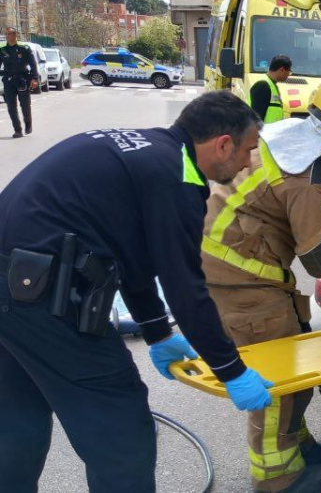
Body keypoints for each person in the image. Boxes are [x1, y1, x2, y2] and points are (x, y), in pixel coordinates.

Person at [0, 92, 275, 493]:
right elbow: (185, 287)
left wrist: (158, 331)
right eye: (248, 150)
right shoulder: (178, 177)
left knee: (18, 419)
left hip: (14, 283)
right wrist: (232, 370)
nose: (248, 163)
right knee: (122, 433)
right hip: (41, 298)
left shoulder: (146, 148)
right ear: (223, 144)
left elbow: (134, 256)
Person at [202, 69, 321, 493]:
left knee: (293, 368)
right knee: (275, 386)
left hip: (240, 269)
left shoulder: (297, 134)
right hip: (241, 283)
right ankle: (278, 478)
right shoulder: (311, 180)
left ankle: (296, 443)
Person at [1, 27, 37, 138]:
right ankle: (18, 130)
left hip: (23, 80)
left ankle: (28, 124)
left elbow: (33, 64)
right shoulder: (2, 49)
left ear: (15, 35)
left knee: (25, 105)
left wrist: (34, 78)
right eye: (7, 34)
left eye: (11, 33)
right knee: (11, 107)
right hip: (9, 81)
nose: (8, 35)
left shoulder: (24, 48)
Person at [249, 54, 293, 123]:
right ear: (282, 70)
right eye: (289, 71)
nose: (288, 75)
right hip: (265, 133)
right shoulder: (263, 85)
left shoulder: (271, 85)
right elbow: (256, 118)